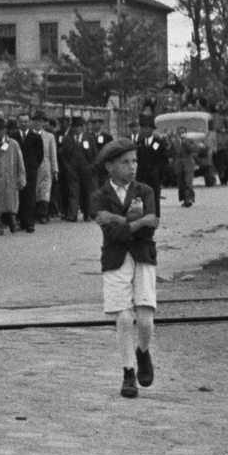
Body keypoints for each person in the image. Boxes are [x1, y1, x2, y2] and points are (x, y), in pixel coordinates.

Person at [91, 139, 159, 398]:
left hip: (142, 257)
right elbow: (111, 232)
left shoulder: (145, 191)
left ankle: (143, 351)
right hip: (115, 258)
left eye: (135, 161)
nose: (133, 167)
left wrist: (120, 220)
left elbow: (152, 226)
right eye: (125, 162)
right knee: (122, 317)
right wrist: (136, 222)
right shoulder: (99, 197)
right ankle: (128, 371)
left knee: (144, 319)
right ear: (109, 167)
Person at [131, 111, 167, 215]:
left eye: (147, 128)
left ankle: (155, 213)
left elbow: (164, 159)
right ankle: (145, 213)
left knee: (155, 195)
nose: (144, 131)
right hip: (142, 174)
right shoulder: (139, 144)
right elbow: (137, 159)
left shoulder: (158, 143)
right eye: (143, 128)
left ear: (152, 129)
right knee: (142, 195)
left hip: (155, 174)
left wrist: (161, 174)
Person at [14, 112, 44, 233]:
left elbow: (40, 155)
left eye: (26, 121)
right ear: (18, 123)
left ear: (29, 122)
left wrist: (34, 166)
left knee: (30, 196)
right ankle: (22, 222)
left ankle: (30, 223)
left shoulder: (36, 137)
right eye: (21, 121)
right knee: (20, 196)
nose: (24, 124)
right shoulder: (13, 136)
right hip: (17, 171)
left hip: (31, 171)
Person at [35, 112, 59, 224]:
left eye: (41, 121)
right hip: (33, 168)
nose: (39, 123)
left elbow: (53, 154)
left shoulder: (50, 137)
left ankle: (43, 215)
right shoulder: (30, 135)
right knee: (34, 191)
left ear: (45, 123)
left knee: (45, 191)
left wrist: (55, 170)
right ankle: (34, 214)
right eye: (36, 120)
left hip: (46, 167)